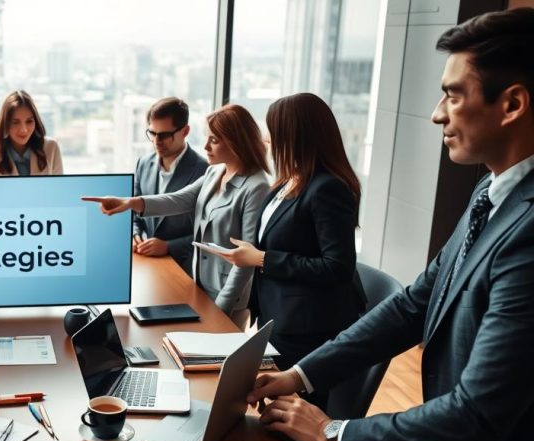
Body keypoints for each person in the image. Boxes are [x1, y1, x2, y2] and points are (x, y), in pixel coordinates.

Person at [247, 9, 534, 441]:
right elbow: (413, 305)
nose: (436, 114)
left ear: (512, 104)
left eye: (453, 95)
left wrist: (335, 431)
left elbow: (477, 410)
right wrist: (300, 375)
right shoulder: (491, 192)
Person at [201, 93, 365, 406]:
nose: (266, 138)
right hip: (278, 317)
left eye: (272, 131)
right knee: (270, 409)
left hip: (307, 328)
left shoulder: (328, 188)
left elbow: (338, 266)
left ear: (295, 135)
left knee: (290, 415)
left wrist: (261, 258)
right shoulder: (288, 181)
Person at [82, 104, 270, 327]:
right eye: (207, 138)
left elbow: (246, 260)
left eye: (214, 140)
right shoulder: (215, 171)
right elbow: (180, 199)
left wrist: (222, 307)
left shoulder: (256, 186)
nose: (206, 146)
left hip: (227, 296)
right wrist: (130, 202)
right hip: (199, 285)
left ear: (236, 142)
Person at [132, 97, 209, 272]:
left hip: (184, 268)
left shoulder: (204, 171)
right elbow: (134, 213)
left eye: (165, 135)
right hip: (147, 263)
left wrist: (169, 246)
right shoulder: (143, 163)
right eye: (152, 133)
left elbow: (207, 233)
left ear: (185, 131)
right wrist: (135, 234)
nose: (156, 141)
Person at [0, 90, 63, 176]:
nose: (23, 130)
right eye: (15, 122)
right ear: (5, 124)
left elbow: (59, 184)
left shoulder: (51, 147)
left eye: (29, 121)